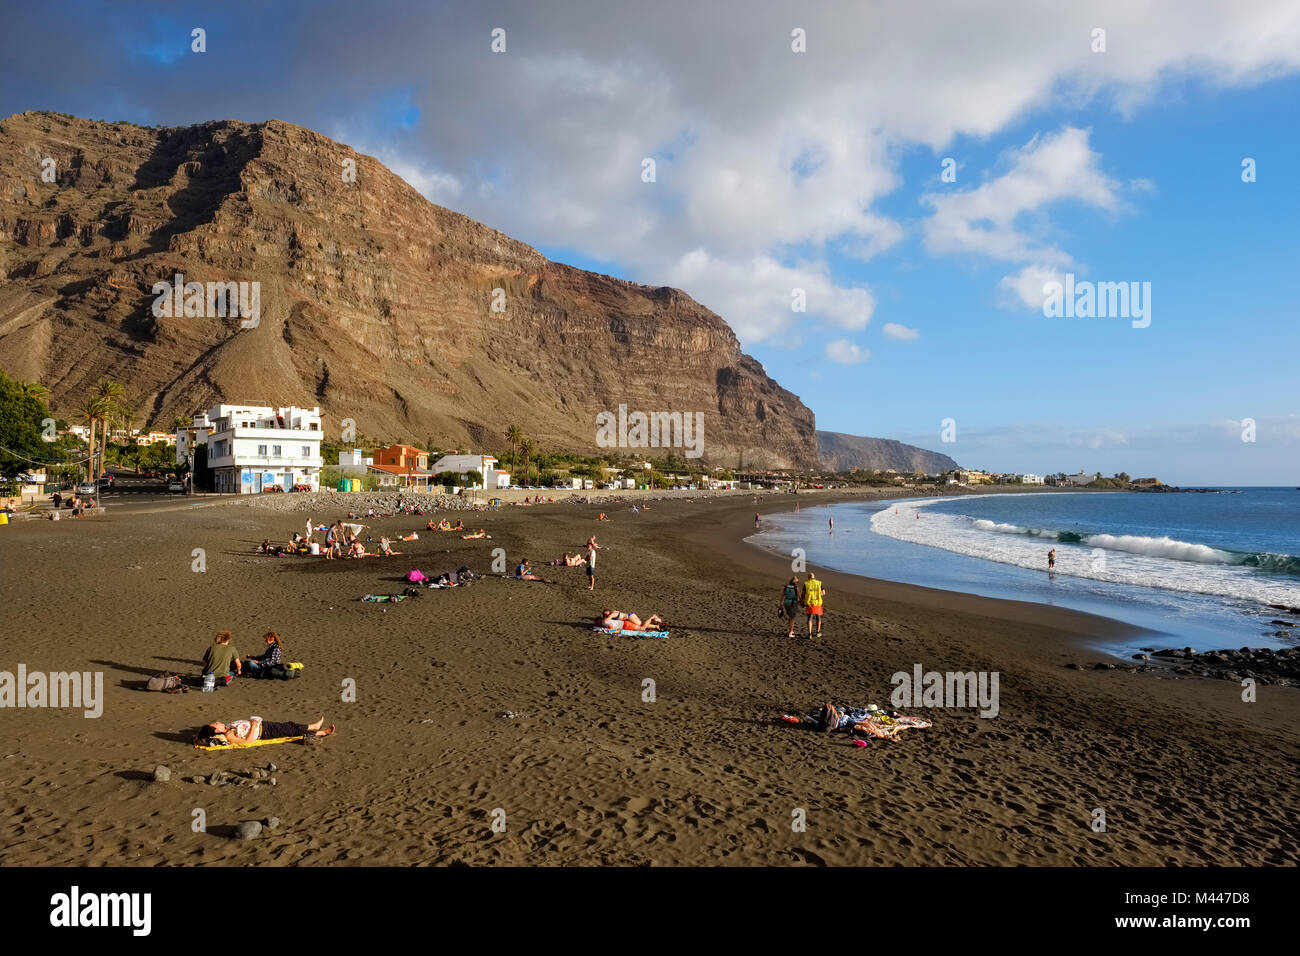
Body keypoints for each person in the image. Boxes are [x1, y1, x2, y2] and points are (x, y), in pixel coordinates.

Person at [195, 715, 335, 747]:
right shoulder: (229, 735)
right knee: (291, 728)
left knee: (290, 727)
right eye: (216, 723)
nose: (219, 722)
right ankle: (315, 727)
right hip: (264, 732)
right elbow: (247, 742)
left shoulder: (228, 728)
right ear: (216, 730)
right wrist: (254, 725)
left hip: (264, 725)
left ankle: (321, 732)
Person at [803, 571, 825, 638]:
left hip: (809, 603)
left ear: (808, 577)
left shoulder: (806, 583)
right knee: (818, 617)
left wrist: (802, 600)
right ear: (814, 577)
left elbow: (803, 593)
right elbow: (823, 593)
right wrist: (818, 595)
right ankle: (818, 632)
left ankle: (809, 634)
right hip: (817, 603)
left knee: (810, 618)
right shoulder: (819, 583)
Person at [598, 610, 663, 631]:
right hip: (629, 617)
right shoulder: (612, 613)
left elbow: (606, 620)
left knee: (641, 625)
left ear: (609, 611)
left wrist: (603, 620)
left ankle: (652, 617)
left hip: (629, 617)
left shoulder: (612, 614)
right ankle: (656, 626)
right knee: (642, 624)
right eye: (605, 614)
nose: (607, 614)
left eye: (607, 613)